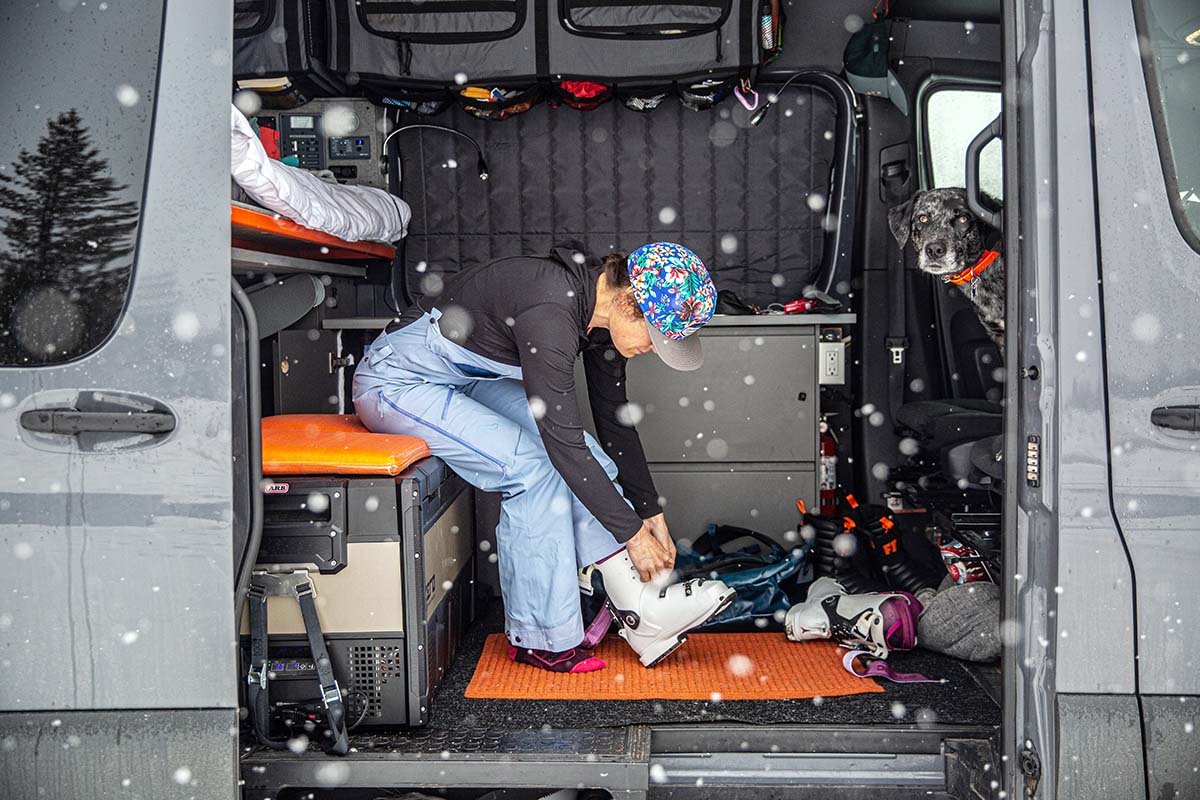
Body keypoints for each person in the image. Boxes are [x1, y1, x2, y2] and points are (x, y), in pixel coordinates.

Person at [352, 242, 734, 672]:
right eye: (657, 337)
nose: (654, 350)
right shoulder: (551, 310)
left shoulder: (600, 320)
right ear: (629, 303)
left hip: (464, 379)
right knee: (533, 470)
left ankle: (638, 612)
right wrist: (633, 537)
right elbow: (560, 444)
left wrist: (649, 513)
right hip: (398, 380)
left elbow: (613, 422)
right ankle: (539, 638)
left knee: (593, 460)